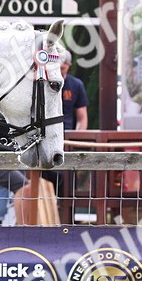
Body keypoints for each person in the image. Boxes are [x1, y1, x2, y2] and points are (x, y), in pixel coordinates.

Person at [47, 47, 89, 200]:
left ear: (69, 66)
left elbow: (82, 117)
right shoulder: (45, 82)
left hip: (67, 139)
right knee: (47, 174)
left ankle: (67, 214)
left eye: (63, 68)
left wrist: (78, 140)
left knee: (68, 179)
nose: (60, 71)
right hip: (48, 137)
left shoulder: (76, 85)